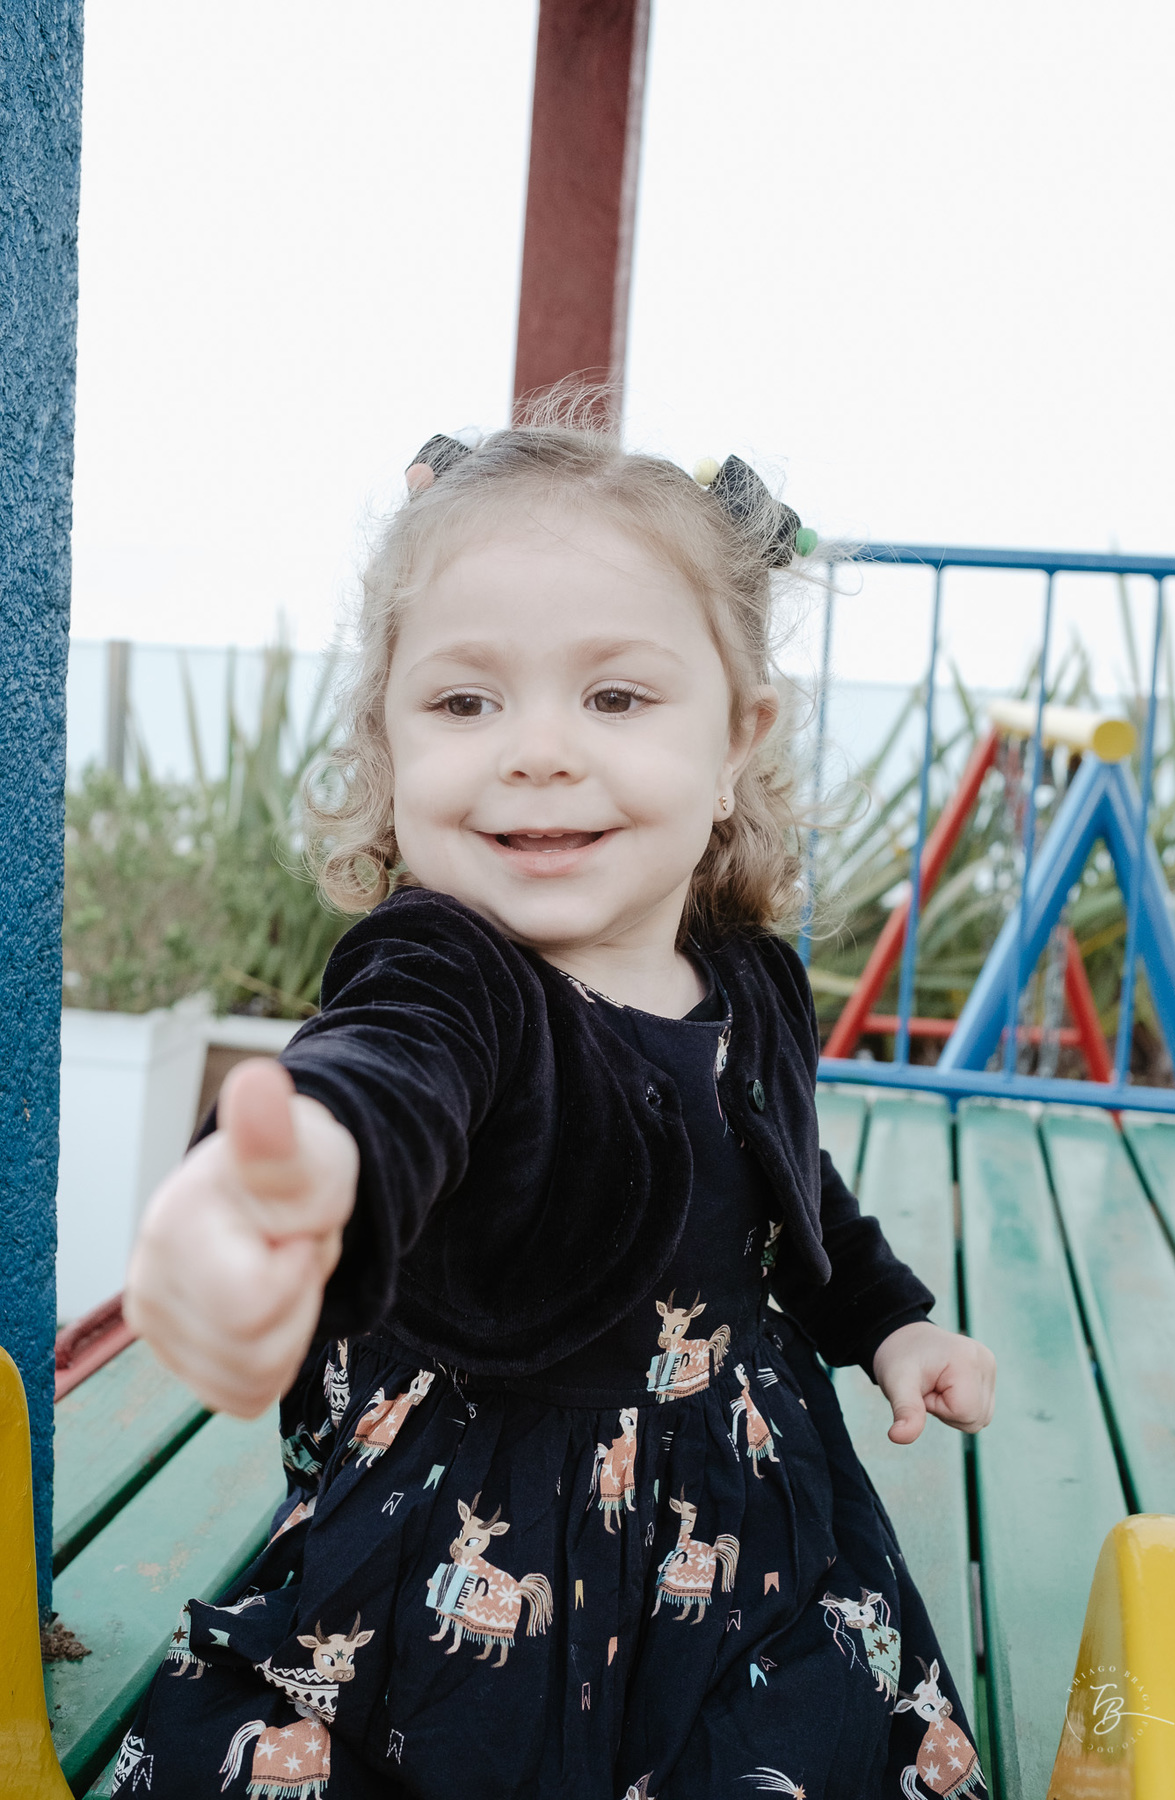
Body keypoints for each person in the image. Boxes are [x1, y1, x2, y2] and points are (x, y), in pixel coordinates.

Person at [120, 419, 995, 1800]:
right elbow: (386, 1083)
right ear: (387, 742)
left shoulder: (743, 975)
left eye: (616, 699)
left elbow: (784, 1178)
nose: (535, 751)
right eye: (465, 704)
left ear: (734, 743)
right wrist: (297, 1185)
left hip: (745, 1523)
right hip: (481, 1535)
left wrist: (885, 1320)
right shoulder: (448, 972)